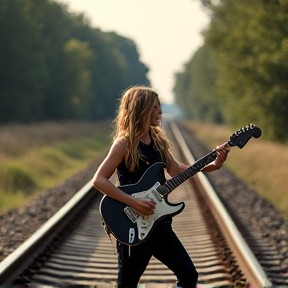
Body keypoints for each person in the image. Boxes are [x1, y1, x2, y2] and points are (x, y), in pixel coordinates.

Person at [93, 85, 230, 288]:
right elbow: (99, 180)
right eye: (156, 107)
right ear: (143, 109)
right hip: (132, 224)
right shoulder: (124, 144)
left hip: (160, 224)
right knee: (127, 284)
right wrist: (134, 202)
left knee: (189, 275)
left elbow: (176, 170)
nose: (160, 113)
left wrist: (213, 164)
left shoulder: (158, 141)